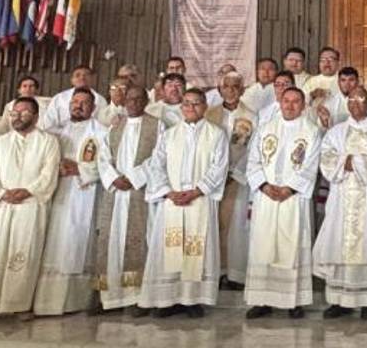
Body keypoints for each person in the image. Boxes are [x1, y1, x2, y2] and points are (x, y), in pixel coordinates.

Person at [0, 97, 61, 324]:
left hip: (30, 206)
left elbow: (49, 174)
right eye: (15, 112)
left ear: (36, 117)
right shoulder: (0, 143)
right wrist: (2, 194)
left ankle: (17, 304)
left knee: (24, 254)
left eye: (25, 112)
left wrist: (28, 191)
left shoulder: (48, 142)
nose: (18, 116)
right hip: (1, 206)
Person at [138, 89, 229, 317]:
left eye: (196, 103)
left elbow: (219, 168)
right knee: (171, 248)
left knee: (195, 249)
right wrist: (168, 192)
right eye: (187, 103)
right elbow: (156, 165)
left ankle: (192, 300)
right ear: (181, 107)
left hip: (200, 201)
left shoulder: (216, 134)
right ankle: (167, 300)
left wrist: (197, 191)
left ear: (205, 106)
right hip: (173, 202)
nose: (191, 108)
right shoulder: (169, 135)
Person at [313, 87, 367, 319]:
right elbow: (326, 158)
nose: (356, 103)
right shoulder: (336, 132)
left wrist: (352, 161)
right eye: (352, 99)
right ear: (347, 104)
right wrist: (347, 162)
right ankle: (340, 301)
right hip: (341, 199)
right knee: (339, 242)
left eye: (361, 99)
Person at [243, 87, 322, 319]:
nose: (289, 105)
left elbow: (311, 165)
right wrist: (265, 186)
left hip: (293, 199)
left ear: (303, 105)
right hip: (266, 198)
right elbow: (253, 162)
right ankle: (262, 300)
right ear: (280, 102)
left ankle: (293, 301)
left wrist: (289, 188)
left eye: (295, 101)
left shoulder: (311, 131)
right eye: (286, 101)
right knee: (263, 246)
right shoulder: (265, 129)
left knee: (292, 246)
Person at [32, 88, 104, 316]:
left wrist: (80, 168)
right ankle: (46, 303)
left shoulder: (102, 132)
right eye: (75, 102)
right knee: (53, 243)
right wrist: (55, 167)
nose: (78, 106)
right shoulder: (54, 133)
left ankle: (77, 302)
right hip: (57, 193)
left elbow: (109, 164)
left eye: (84, 103)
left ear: (93, 108)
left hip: (85, 195)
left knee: (76, 244)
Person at [93, 87, 159, 312]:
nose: (133, 103)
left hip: (139, 193)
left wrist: (133, 178)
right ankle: (108, 297)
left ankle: (137, 298)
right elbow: (103, 157)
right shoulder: (115, 125)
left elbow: (159, 157)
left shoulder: (157, 125)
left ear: (146, 100)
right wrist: (113, 178)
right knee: (110, 242)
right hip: (116, 193)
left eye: (138, 99)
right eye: (129, 99)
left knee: (139, 241)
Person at [205, 71, 257, 289]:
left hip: (237, 179)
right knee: (212, 223)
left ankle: (234, 274)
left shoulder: (252, 116)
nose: (231, 90)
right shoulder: (208, 114)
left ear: (243, 90)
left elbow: (253, 149)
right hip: (211, 180)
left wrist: (234, 173)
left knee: (236, 226)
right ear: (219, 89)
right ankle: (214, 272)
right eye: (226, 86)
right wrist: (215, 174)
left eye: (236, 86)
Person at [40, 65, 105, 131]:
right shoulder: (59, 98)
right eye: (77, 75)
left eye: (86, 75)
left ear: (92, 79)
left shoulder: (100, 100)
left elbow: (102, 124)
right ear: (72, 80)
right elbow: (49, 123)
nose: (82, 78)